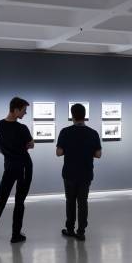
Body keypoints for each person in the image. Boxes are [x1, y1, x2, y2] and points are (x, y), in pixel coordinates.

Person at [0, 97, 34, 243]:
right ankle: (15, 234)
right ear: (16, 110)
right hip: (24, 166)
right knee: (20, 201)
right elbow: (31, 145)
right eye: (24, 110)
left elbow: (2, 144)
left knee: (1, 199)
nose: (25, 114)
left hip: (9, 166)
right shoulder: (22, 128)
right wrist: (24, 145)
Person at [56, 103, 102, 241]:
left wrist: (70, 150)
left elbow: (59, 153)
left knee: (70, 201)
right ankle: (81, 231)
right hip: (86, 173)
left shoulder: (65, 132)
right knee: (83, 202)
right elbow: (98, 154)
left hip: (69, 173)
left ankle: (70, 229)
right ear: (84, 115)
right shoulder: (93, 133)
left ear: (72, 116)